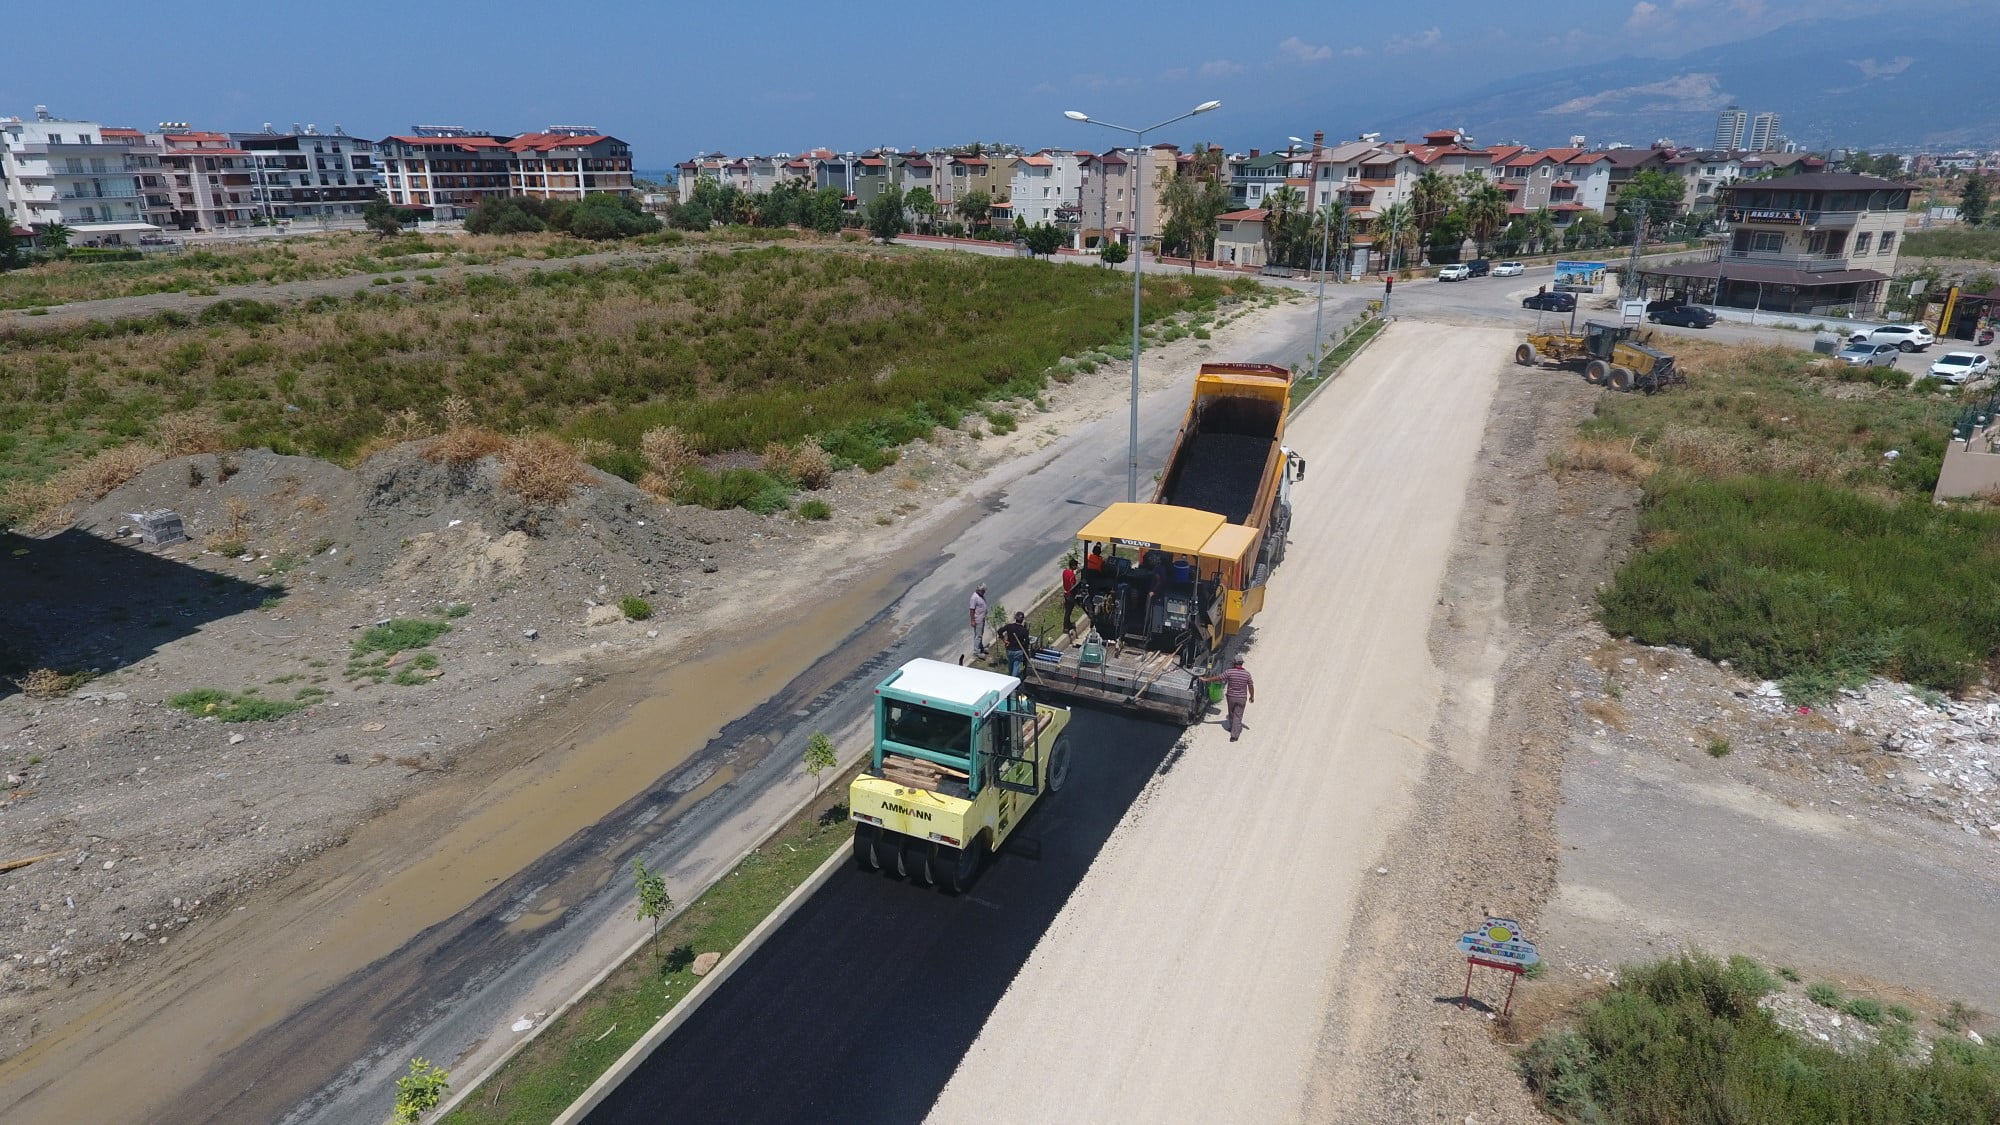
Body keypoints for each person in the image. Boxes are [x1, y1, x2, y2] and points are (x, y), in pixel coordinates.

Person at [1205, 656, 1256, 742]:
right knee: (1238, 716)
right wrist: (1252, 696)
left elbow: (1218, 678)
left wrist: (1207, 679)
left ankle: (1233, 731)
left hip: (1231, 697)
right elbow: (1251, 686)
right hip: (1242, 698)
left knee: (1231, 713)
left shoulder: (1229, 672)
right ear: (1242, 663)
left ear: (1234, 663)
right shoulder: (1247, 674)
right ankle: (1234, 735)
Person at [998, 611, 1032, 679]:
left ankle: (1010, 678)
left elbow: (999, 631)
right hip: (1018, 651)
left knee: (1010, 665)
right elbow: (1027, 642)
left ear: (1015, 618)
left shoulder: (1009, 626)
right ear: (1022, 620)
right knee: (1016, 667)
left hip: (1009, 650)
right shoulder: (1024, 630)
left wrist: (1004, 640)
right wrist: (1024, 646)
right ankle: (1013, 682)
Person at [1060, 553, 1081, 631]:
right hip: (1070, 595)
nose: (1076, 567)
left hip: (1065, 593)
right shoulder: (1072, 575)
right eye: (1075, 566)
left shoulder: (1065, 572)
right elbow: (1073, 586)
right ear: (1073, 566)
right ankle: (1066, 627)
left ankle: (1068, 624)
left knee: (1068, 610)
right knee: (1068, 611)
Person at [968, 583, 989, 656]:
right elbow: (972, 610)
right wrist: (973, 620)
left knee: (980, 634)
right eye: (983, 591)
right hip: (978, 620)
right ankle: (977, 652)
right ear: (979, 590)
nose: (984, 592)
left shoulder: (980, 595)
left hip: (982, 618)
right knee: (978, 636)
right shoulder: (974, 598)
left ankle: (981, 647)